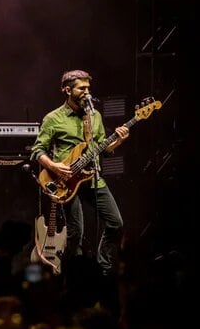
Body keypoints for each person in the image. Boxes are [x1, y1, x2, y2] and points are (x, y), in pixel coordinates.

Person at [30, 69, 129, 277]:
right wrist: (55, 167)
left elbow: (103, 147)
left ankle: (103, 266)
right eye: (81, 88)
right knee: (76, 233)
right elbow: (37, 151)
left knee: (116, 223)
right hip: (66, 181)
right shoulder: (53, 118)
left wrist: (117, 141)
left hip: (92, 177)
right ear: (67, 90)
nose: (87, 92)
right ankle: (66, 275)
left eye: (88, 88)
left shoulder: (95, 116)